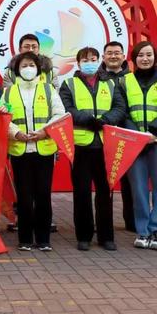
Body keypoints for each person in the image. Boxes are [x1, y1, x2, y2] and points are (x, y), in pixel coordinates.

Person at [60, 46, 126, 251]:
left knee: (105, 192)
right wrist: (87, 120)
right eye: (85, 59)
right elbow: (66, 108)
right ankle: (84, 236)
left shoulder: (111, 83)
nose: (90, 62)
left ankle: (106, 237)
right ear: (79, 63)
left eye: (94, 58)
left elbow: (120, 107)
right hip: (81, 145)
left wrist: (106, 120)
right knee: (81, 192)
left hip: (105, 145)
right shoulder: (68, 84)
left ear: (99, 61)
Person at [4, 52, 65, 251]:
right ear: (17, 69)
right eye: (24, 65)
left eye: (31, 64)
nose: (28, 68)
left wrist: (44, 132)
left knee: (43, 195)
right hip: (20, 150)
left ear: (38, 68)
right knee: (23, 195)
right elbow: (3, 118)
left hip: (44, 149)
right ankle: (25, 239)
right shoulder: (8, 92)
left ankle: (43, 239)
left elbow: (59, 114)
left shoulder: (48, 90)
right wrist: (16, 133)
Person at [120, 41, 157, 249]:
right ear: (134, 59)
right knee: (139, 189)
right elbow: (122, 110)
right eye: (141, 55)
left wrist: (152, 132)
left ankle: (155, 228)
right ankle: (142, 231)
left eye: (149, 55)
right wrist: (138, 134)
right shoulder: (125, 82)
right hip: (135, 143)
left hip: (156, 140)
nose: (145, 59)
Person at [98, 41, 135, 233]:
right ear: (103, 57)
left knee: (130, 182)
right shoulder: (96, 79)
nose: (113, 56)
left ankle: (132, 221)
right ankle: (104, 223)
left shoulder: (132, 78)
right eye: (109, 53)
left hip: (127, 135)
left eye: (117, 53)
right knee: (104, 182)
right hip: (103, 136)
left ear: (123, 56)